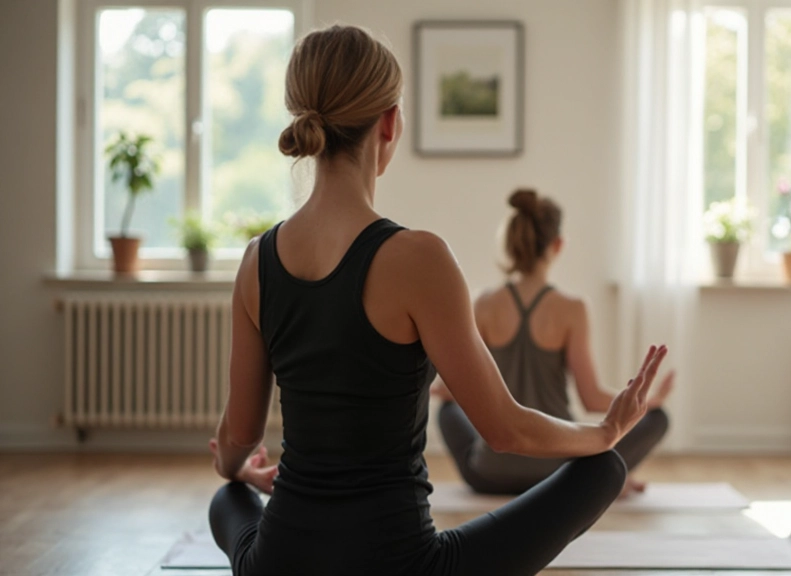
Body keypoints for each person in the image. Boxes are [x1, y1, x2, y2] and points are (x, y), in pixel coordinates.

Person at [207, 24, 669, 576]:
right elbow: (506, 430)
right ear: (389, 122)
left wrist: (238, 470)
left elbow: (239, 435)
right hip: (404, 566)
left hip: (280, 563)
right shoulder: (419, 257)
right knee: (603, 469)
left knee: (227, 500)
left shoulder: (257, 260)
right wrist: (605, 432)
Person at [435, 190, 673, 496]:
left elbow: (453, 388)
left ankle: (609, 477)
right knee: (658, 419)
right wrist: (649, 401)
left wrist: (434, 387)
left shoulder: (484, 304)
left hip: (491, 474)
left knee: (447, 411)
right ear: (558, 245)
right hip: (559, 472)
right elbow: (592, 398)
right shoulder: (572, 309)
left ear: (511, 243)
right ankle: (609, 478)